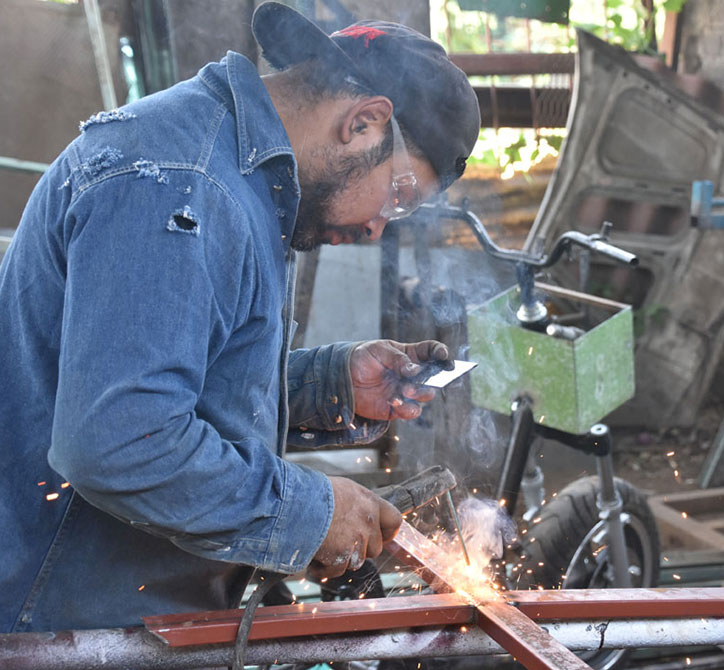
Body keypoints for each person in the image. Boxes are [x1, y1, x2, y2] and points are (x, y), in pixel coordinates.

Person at [0, 1, 480, 634]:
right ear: (364, 122)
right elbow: (118, 440)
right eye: (398, 196)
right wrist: (310, 514)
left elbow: (174, 373)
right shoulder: (184, 187)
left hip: (124, 611)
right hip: (60, 617)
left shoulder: (237, 174)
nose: (375, 228)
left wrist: (329, 385)